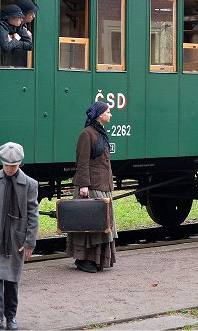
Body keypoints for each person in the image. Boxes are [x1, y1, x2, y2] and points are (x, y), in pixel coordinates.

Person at [0, 142, 39, 331]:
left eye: (14, 165)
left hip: (15, 241)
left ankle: (11, 318)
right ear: (2, 162)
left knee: (11, 282)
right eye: (7, 165)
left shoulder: (30, 185)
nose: (10, 169)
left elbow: (33, 215)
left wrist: (29, 242)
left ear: (20, 163)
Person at [67, 101, 118, 272]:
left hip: (102, 185)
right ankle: (84, 260)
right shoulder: (87, 134)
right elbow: (82, 162)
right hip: (92, 186)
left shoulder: (99, 133)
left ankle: (98, 260)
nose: (110, 114)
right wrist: (84, 185)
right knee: (90, 224)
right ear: (99, 115)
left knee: (101, 225)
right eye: (108, 111)